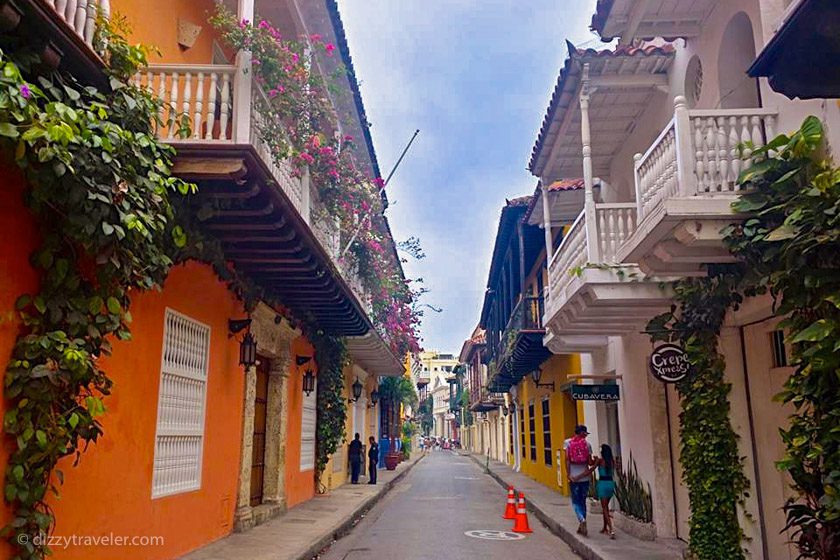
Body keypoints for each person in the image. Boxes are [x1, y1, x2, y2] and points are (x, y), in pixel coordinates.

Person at [564, 425, 594, 536]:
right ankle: (582, 525)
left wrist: (568, 474)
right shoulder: (588, 445)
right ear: (583, 434)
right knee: (583, 501)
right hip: (585, 478)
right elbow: (590, 463)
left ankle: (581, 520)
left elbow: (567, 459)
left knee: (576, 502)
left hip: (574, 477)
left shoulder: (567, 443)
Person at [595, 443, 617, 539]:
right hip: (610, 484)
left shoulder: (600, 461)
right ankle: (604, 527)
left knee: (604, 508)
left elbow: (591, 466)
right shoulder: (612, 462)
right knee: (606, 507)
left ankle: (611, 529)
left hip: (603, 484)